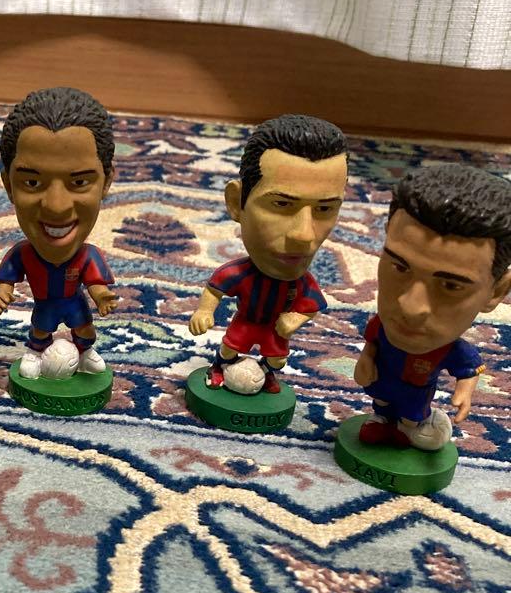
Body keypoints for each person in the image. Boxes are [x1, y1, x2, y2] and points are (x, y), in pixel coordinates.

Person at [353, 163, 511, 450]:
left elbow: (468, 370)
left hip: (416, 392)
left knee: (411, 416)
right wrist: (366, 359)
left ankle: (408, 429)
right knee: (381, 404)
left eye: (450, 286)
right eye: (400, 267)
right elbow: (372, 344)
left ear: (496, 292)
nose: (411, 308)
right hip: (384, 382)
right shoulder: (381, 327)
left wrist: (464, 392)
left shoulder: (451, 350)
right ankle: (381, 422)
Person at [188, 114, 348, 393]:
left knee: (277, 357)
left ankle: (266, 374)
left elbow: (311, 305)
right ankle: (219, 368)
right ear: (236, 203)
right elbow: (215, 288)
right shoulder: (240, 273)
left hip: (273, 329)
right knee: (230, 347)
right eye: (281, 204)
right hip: (246, 323)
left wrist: (294, 319)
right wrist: (204, 310)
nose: (304, 235)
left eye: (324, 209)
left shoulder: (303, 284)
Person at [0, 87, 118, 380]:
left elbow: (96, 283)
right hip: (46, 304)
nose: (57, 207)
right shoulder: (23, 253)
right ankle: (34, 353)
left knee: (84, 329)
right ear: (8, 185)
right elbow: (8, 277)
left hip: (74, 303)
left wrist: (102, 297)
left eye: (80, 182)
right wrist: (3, 293)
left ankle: (85, 352)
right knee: (40, 329)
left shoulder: (88, 256)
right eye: (32, 183)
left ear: (107, 182)